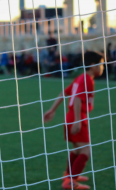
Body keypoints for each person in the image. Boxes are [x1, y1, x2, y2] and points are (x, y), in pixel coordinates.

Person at [43, 51, 104, 189]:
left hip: (70, 116)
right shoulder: (87, 79)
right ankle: (71, 181)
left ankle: (69, 175)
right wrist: (77, 120)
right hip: (77, 116)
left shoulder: (80, 78)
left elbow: (64, 93)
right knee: (85, 151)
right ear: (93, 65)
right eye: (101, 64)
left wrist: (52, 110)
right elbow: (77, 99)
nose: (103, 67)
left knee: (77, 149)